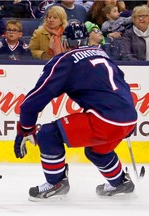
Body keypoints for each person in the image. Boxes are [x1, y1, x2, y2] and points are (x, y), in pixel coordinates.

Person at [14, 22, 137, 201]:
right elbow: (122, 82)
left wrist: (25, 128)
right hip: (128, 116)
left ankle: (56, 182)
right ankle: (119, 182)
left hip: (105, 119)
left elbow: (35, 99)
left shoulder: (65, 60)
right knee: (97, 151)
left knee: (49, 134)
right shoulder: (101, 53)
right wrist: (128, 117)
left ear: (63, 41)